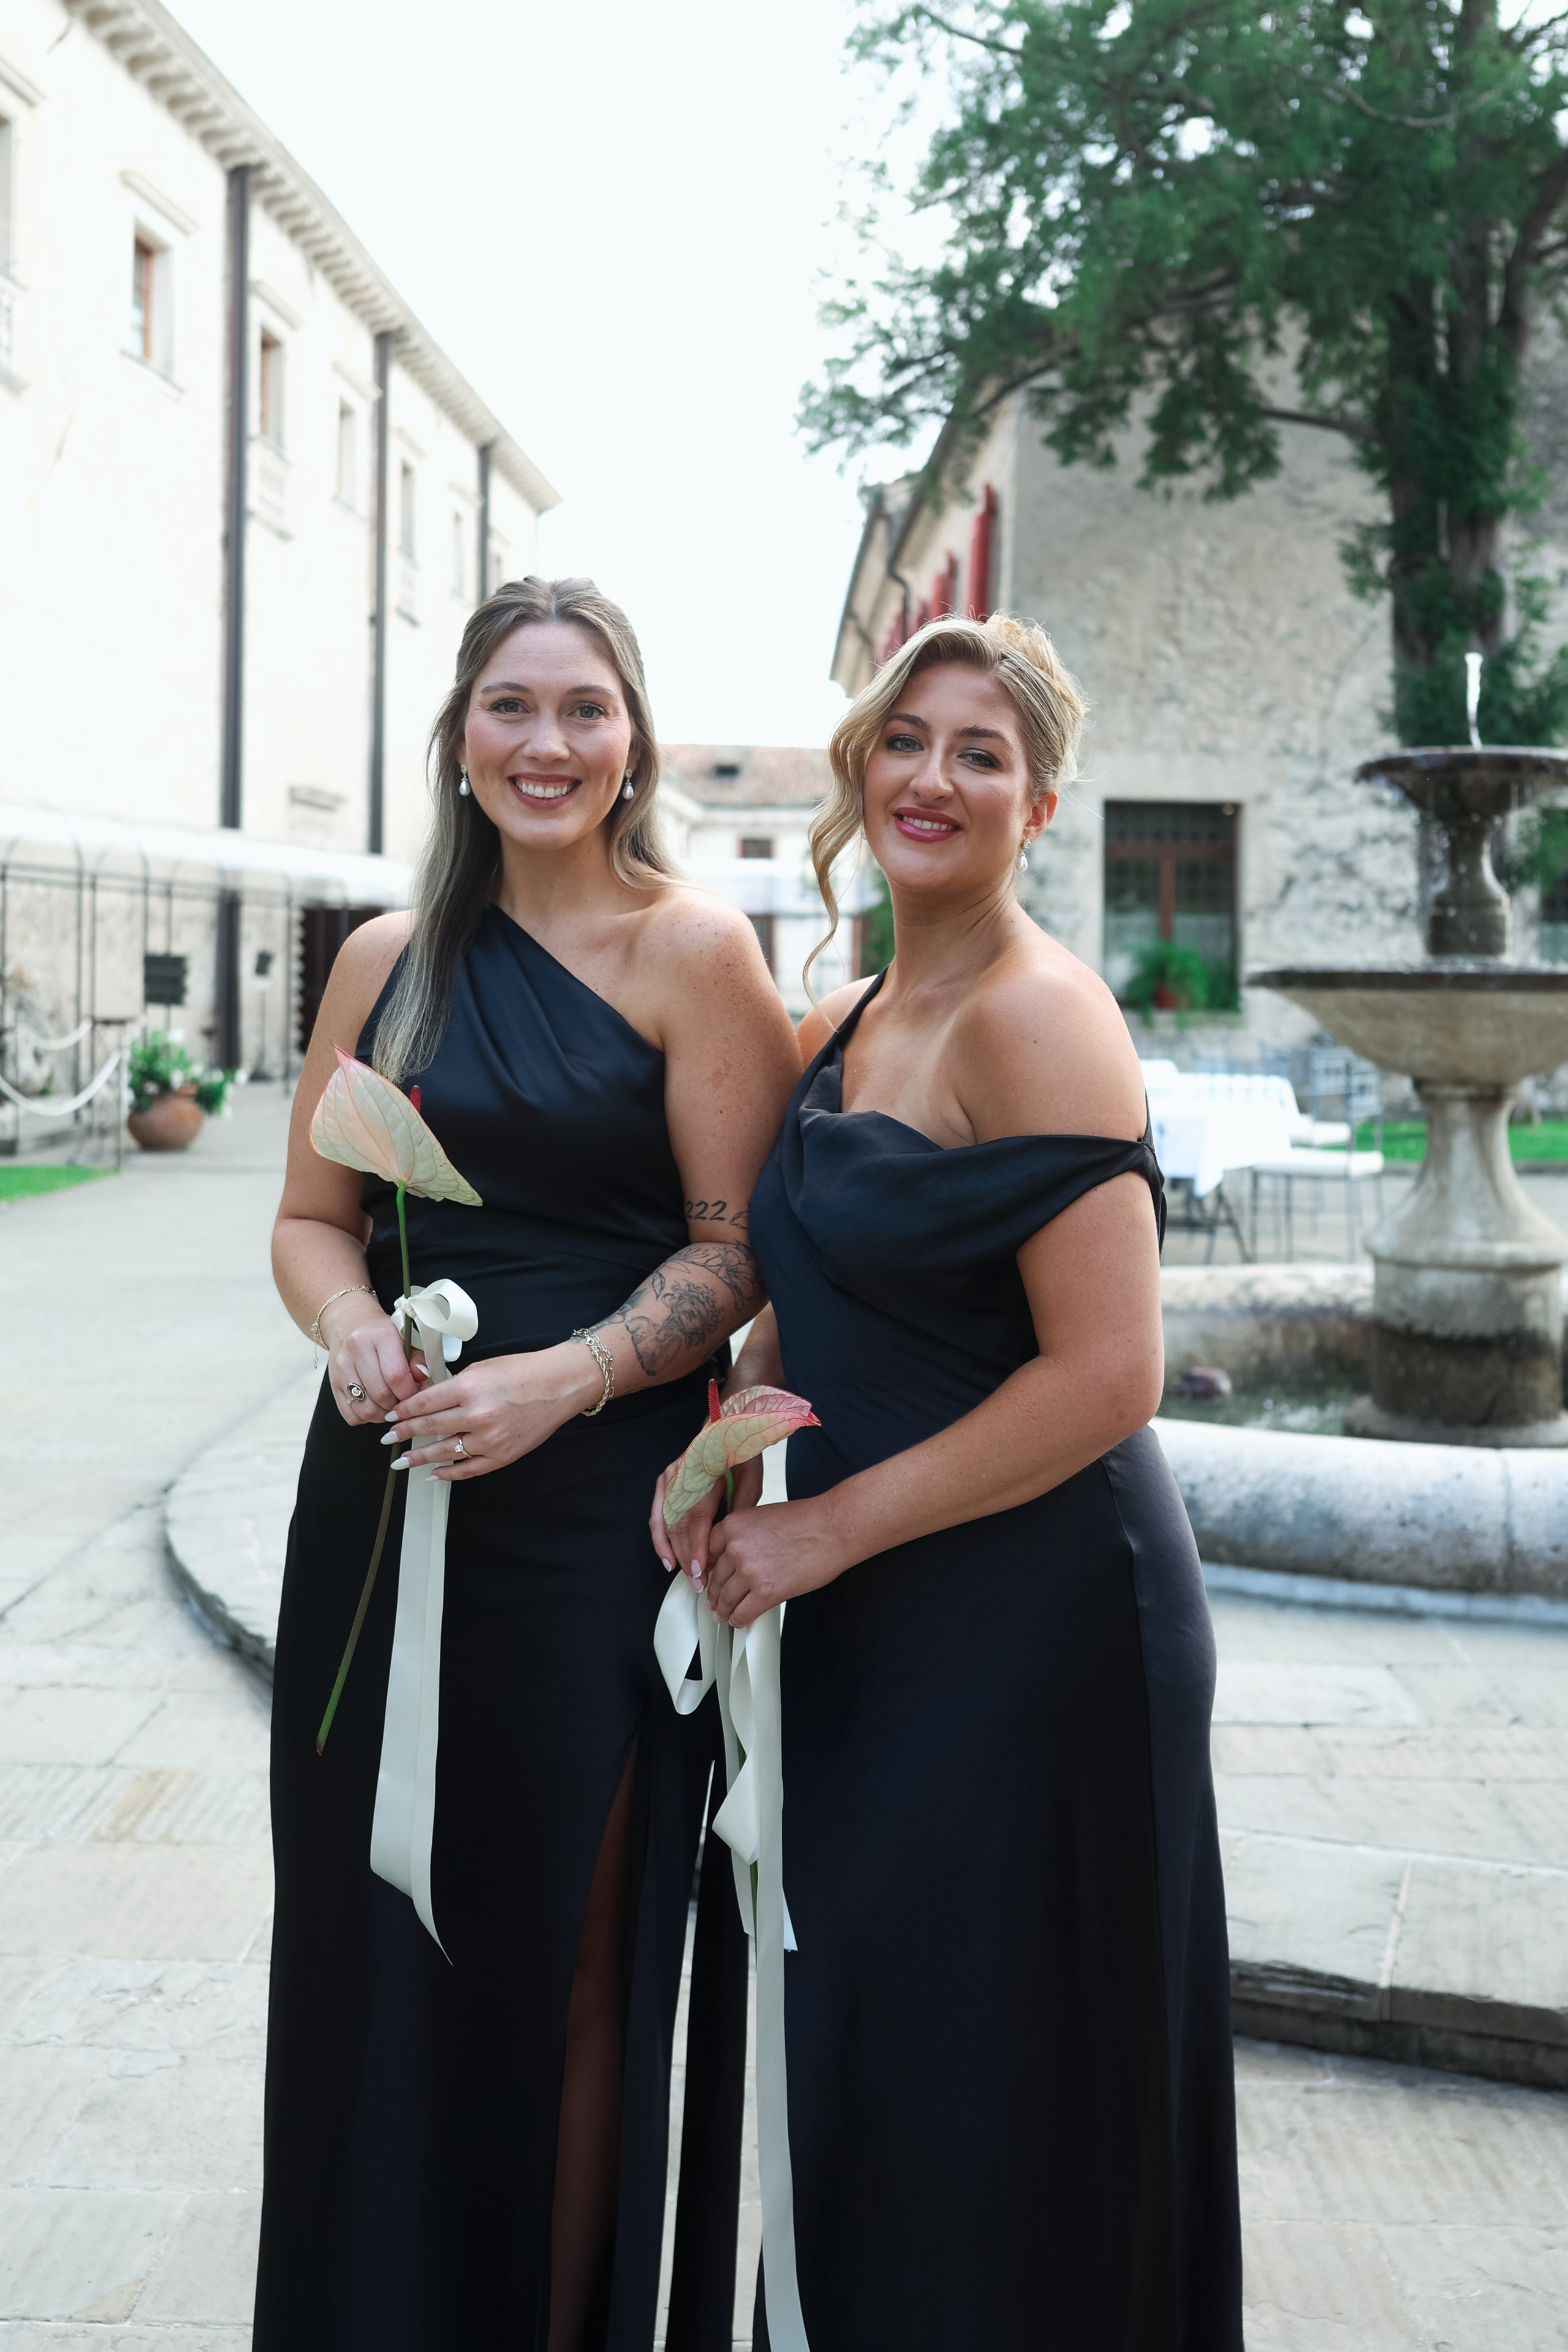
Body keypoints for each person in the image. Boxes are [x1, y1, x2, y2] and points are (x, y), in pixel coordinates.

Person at [655, 613, 1243, 2348]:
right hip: (875, 1618)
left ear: (1039, 805)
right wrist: (724, 1446)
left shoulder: (1041, 1019)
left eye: (983, 754)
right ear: (860, 767)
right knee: (884, 2060)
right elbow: (816, 1302)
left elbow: (1111, 1372)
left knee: (1004, 2093)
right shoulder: (841, 1016)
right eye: (908, 740)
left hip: (1037, 1622)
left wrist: (825, 1526)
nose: (935, 778)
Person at [255, 577, 798, 2351]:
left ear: (632, 739)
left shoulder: (699, 953)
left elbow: (736, 1256)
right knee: (368, 1941)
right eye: (510, 706)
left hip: (593, 1514)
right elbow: (311, 1222)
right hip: (384, 1506)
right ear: (458, 737)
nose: (545, 743)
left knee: (567, 1945)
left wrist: (569, 1380)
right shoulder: (380, 961)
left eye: (582, 709)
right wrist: (346, 1326)